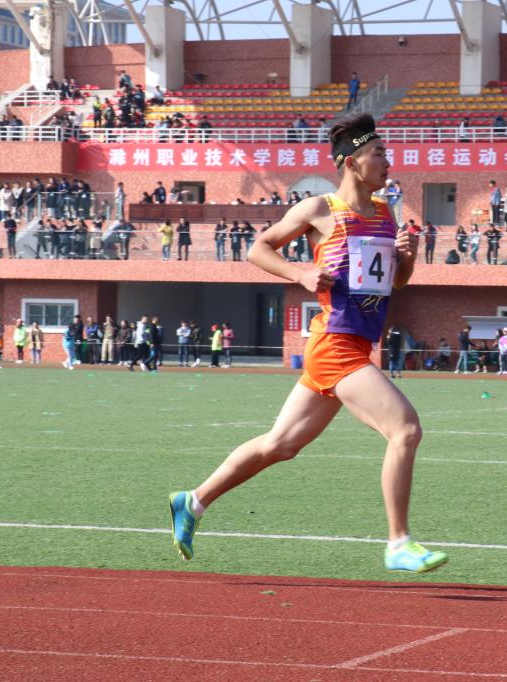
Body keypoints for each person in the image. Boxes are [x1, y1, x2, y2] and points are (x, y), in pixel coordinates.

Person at [167, 113, 448, 574]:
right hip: (335, 344)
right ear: (351, 162)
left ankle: (193, 502)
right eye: (379, 153)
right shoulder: (318, 209)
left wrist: (408, 260)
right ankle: (398, 542)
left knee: (281, 444)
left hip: (354, 345)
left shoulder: (385, 212)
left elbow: (396, 283)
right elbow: (259, 248)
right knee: (405, 429)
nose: (388, 161)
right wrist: (299, 274)